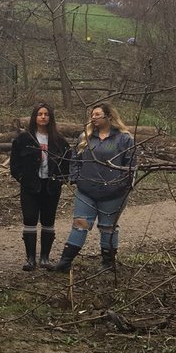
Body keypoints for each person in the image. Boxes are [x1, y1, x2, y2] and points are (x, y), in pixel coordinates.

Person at [53, 102, 135, 273]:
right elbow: (75, 158)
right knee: (80, 223)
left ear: (109, 116)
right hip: (86, 190)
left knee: (108, 227)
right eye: (92, 114)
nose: (93, 117)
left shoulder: (124, 138)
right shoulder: (86, 137)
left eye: (97, 114)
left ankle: (108, 263)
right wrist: (76, 178)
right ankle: (65, 262)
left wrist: (122, 184)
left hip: (114, 192)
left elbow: (131, 164)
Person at [10, 103, 70, 271]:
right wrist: (22, 177)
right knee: (29, 219)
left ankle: (44, 258)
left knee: (48, 220)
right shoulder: (24, 139)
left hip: (51, 186)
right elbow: (15, 164)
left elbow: (67, 162)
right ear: (34, 117)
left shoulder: (59, 141)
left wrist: (61, 179)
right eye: (40, 114)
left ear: (51, 118)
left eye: (46, 114)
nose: (43, 117)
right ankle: (30, 259)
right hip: (30, 186)